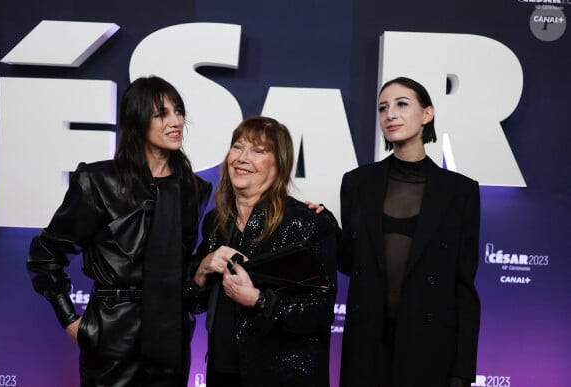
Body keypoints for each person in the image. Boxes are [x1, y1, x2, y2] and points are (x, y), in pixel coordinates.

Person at [26, 76, 212, 386]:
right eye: (161, 114)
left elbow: (184, 265)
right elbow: (45, 255)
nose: (175, 121)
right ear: (136, 122)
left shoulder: (194, 189)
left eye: (178, 111)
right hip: (111, 336)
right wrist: (73, 322)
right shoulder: (97, 181)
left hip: (171, 337)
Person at [338, 77, 481, 387]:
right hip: (366, 347)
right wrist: (321, 227)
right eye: (382, 108)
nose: (390, 115)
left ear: (426, 114)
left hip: (430, 349)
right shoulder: (357, 183)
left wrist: (462, 370)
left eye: (402, 104)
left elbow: (464, 287)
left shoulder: (461, 192)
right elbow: (351, 261)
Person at [190, 116, 339, 387]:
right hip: (222, 373)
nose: (242, 158)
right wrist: (203, 269)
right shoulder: (216, 222)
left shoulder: (307, 222)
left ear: (279, 164)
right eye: (237, 147)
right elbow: (194, 301)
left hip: (282, 377)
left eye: (258, 151)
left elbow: (320, 312)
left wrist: (259, 300)